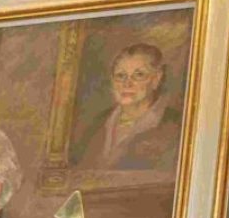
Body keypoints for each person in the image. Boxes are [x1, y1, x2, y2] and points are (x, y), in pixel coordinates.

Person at [74, 41, 181, 172]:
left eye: (139, 75)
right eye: (120, 75)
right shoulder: (96, 124)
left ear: (156, 79)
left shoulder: (175, 125)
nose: (127, 83)